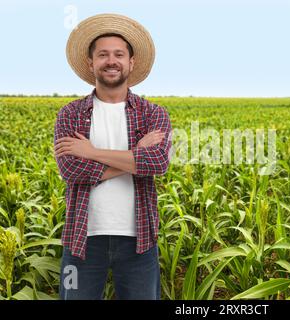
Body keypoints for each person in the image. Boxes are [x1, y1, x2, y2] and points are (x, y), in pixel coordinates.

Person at [54, 13, 172, 300]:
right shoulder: (70, 114)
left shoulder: (153, 113)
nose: (111, 60)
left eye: (119, 54)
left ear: (131, 62)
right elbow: (71, 170)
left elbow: (157, 163)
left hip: (139, 241)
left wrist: (92, 152)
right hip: (81, 239)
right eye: (103, 54)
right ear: (90, 62)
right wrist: (135, 158)